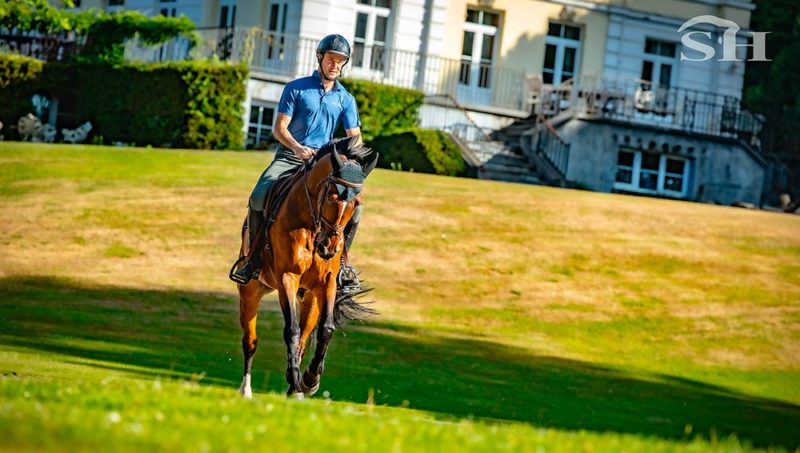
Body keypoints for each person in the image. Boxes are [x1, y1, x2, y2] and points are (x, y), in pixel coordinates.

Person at [231, 34, 364, 291]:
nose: (335, 65)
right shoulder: (296, 88)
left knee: (355, 209)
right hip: (290, 157)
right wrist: (297, 148)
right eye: (331, 59)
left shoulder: (346, 99)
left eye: (340, 61)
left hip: (323, 165)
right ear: (320, 58)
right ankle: (252, 260)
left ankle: (343, 265)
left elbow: (355, 139)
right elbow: (280, 128)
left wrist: (348, 159)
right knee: (258, 196)